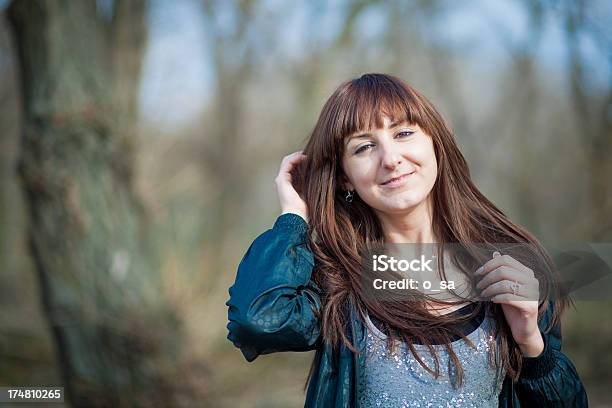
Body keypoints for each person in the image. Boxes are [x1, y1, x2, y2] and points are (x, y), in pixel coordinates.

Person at [226, 73, 588, 407]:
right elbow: (259, 322)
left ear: (435, 144)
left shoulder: (509, 267)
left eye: (403, 133)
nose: (391, 159)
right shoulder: (338, 280)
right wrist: (293, 217)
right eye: (364, 147)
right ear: (345, 179)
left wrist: (531, 346)